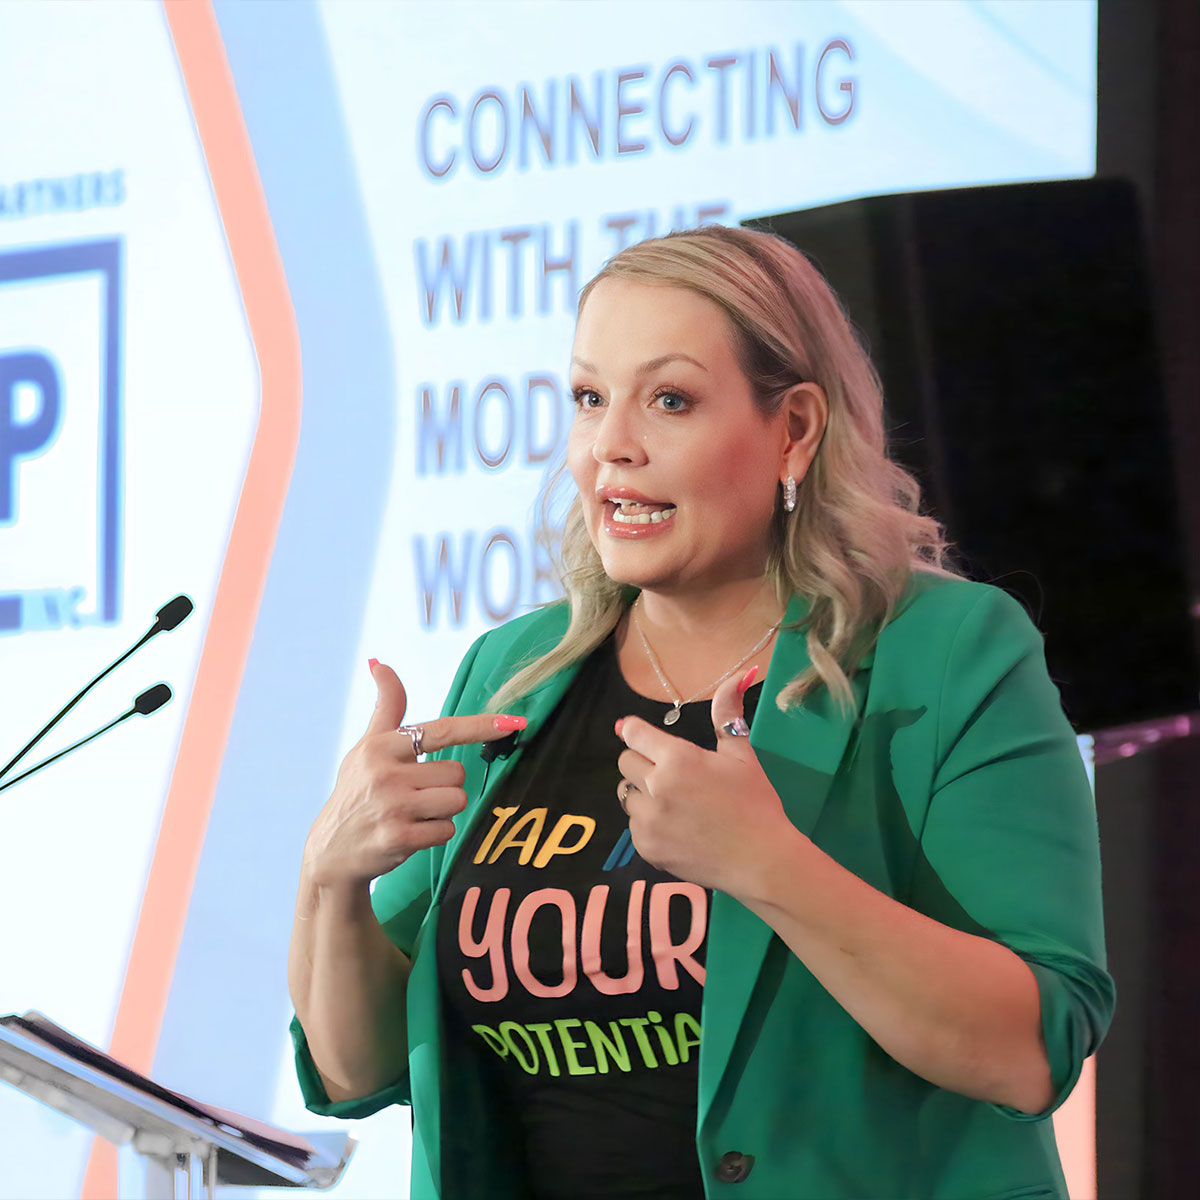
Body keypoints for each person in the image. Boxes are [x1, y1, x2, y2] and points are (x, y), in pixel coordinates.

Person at [288, 225, 1114, 1200]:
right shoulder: (512, 672)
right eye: (591, 399)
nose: (611, 448)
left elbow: (1028, 1050)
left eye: (669, 400)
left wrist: (767, 864)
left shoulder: (947, 653)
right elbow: (357, 1070)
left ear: (795, 430)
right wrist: (329, 879)